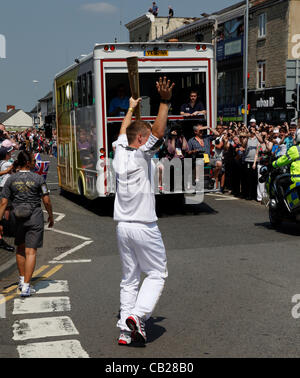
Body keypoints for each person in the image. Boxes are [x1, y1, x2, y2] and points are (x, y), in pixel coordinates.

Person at [113, 77, 174, 346]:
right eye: (145, 136)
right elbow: (159, 133)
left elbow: (122, 133)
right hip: (144, 226)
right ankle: (138, 316)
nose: (150, 139)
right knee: (157, 273)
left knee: (130, 278)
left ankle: (126, 329)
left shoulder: (118, 152)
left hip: (122, 227)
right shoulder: (140, 154)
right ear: (140, 139)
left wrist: (130, 108)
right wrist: (164, 102)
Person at [0, 150, 54, 297]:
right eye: (34, 160)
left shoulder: (11, 179)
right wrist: (51, 216)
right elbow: (47, 200)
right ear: (29, 163)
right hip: (34, 217)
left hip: (17, 218)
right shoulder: (38, 179)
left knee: (20, 249)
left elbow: (3, 202)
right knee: (31, 251)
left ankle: (21, 279)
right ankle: (26, 286)